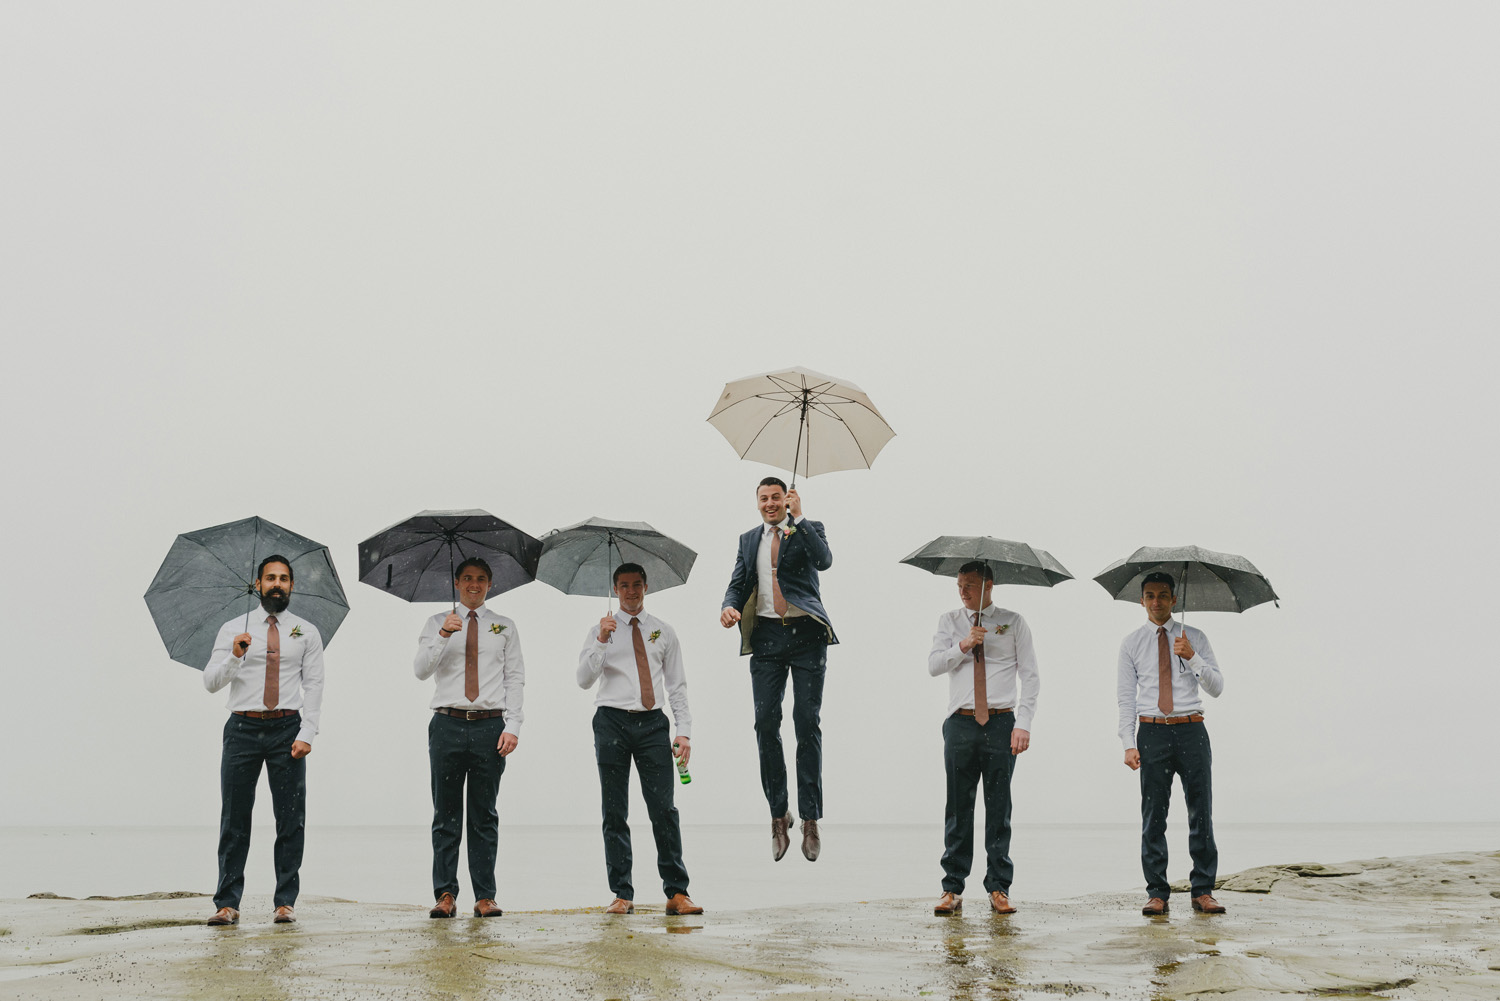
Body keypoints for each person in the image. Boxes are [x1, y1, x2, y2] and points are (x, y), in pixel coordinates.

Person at [202, 555, 325, 926]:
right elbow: (210, 682)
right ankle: (227, 903)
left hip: (287, 729)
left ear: (291, 586)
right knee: (234, 818)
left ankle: (285, 902)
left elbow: (315, 684)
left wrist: (308, 732)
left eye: (284, 579)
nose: (277, 584)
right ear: (257, 585)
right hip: (241, 728)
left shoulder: (306, 631)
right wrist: (236, 656)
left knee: (290, 819)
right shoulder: (232, 630)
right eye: (270, 578)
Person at [719, 476, 836, 862]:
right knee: (765, 724)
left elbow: (824, 561)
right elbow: (738, 583)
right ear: (757, 503)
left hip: (806, 636)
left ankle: (810, 818)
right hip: (767, 638)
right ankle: (777, 814)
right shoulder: (748, 539)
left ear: (787, 500)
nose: (770, 504)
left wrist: (800, 519)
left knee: (806, 722)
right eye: (764, 499)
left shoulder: (808, 529)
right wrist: (728, 606)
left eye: (776, 498)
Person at [576, 563, 703, 916]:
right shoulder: (601, 630)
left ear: (645, 587)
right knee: (614, 811)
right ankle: (622, 893)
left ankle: (678, 893)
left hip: (652, 725)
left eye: (636, 585)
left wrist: (684, 732)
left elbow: (677, 686)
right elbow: (584, 679)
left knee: (664, 809)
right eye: (623, 586)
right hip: (611, 721)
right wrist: (602, 639)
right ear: (615, 589)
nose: (630, 592)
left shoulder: (663, 631)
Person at [413, 557, 524, 918]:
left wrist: (514, 726)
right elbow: (420, 670)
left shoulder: (504, 626)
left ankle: (485, 895)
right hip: (447, 723)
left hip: (490, 726)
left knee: (484, 814)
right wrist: (445, 634)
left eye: (480, 579)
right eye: (467, 579)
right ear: (457, 583)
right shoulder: (437, 622)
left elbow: (515, 678)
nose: (473, 584)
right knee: (445, 814)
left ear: (490, 584)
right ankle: (445, 894)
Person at [927, 561, 1038, 916]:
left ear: (989, 585)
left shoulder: (1013, 622)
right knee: (958, 807)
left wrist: (1024, 723)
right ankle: (952, 888)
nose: (963, 591)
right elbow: (933, 665)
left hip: (1002, 724)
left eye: (970, 585)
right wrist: (963, 645)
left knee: (998, 807)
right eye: (960, 585)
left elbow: (1031, 676)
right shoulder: (949, 621)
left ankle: (998, 888)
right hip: (960, 723)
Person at [1117, 571, 1226, 916]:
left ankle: (1203, 890)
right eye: (1150, 596)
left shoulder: (1194, 637)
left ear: (1174, 600)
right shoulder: (1131, 643)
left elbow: (1217, 686)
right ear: (1142, 600)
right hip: (1152, 733)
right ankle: (1157, 892)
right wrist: (1127, 742)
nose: (1156, 602)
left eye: (1163, 595)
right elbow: (1126, 698)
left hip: (1192, 730)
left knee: (1201, 812)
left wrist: (1192, 656)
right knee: (1153, 815)